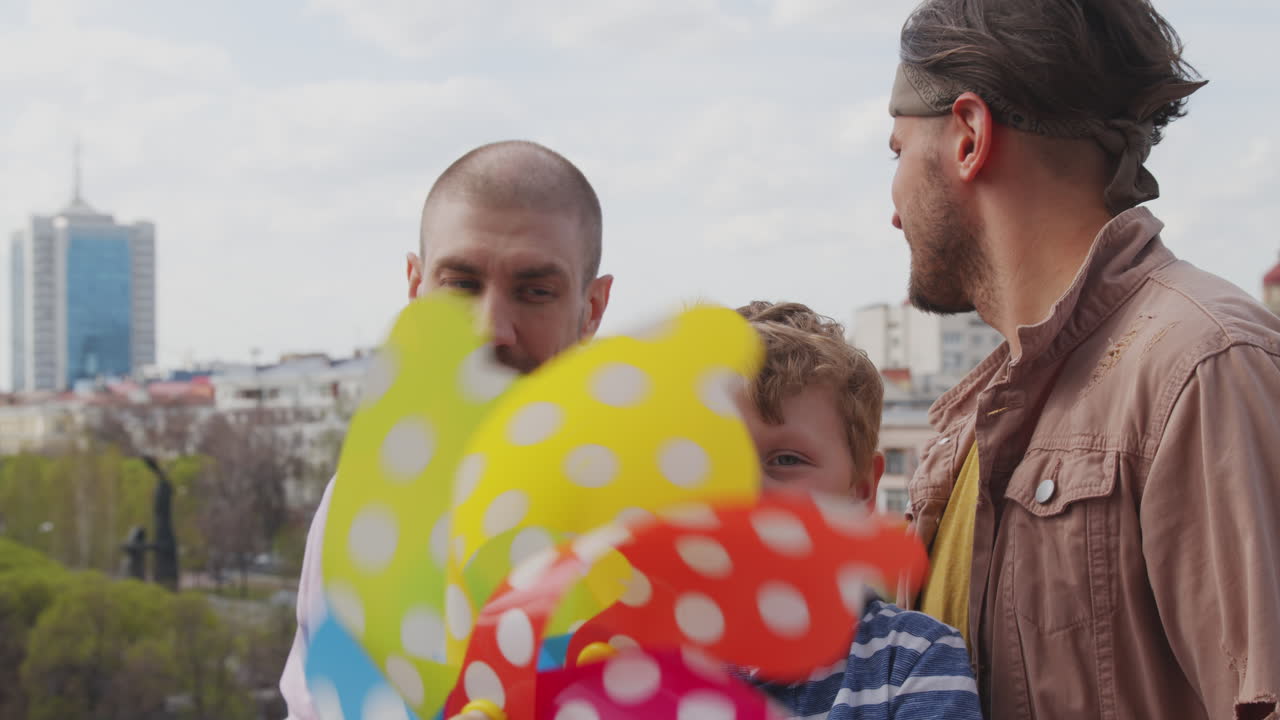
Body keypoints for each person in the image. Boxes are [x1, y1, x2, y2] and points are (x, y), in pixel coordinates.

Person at [886, 1, 1280, 718]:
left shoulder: (1206, 366)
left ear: (969, 136)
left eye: (896, 153)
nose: (891, 208)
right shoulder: (972, 423)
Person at [280, 140, 614, 720]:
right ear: (416, 288)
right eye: (462, 284)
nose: (491, 328)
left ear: (593, 309)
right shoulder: (359, 502)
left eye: (535, 291)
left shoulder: (651, 511)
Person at [733, 301, 982, 720]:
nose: (746, 490)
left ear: (862, 489)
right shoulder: (641, 661)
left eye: (787, 459)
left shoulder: (913, 660)